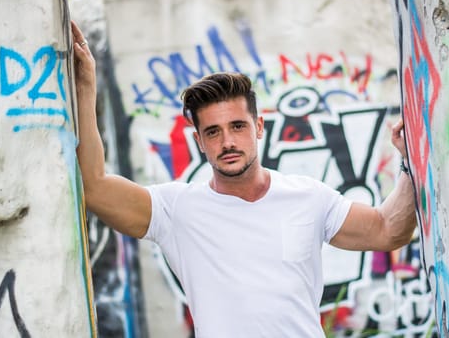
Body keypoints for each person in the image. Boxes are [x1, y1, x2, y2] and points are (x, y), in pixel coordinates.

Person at [71, 21, 417, 337]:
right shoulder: (176, 210)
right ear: (200, 142)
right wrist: (86, 87)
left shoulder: (308, 197)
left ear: (259, 127)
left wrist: (408, 161)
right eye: (213, 132)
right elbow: (96, 187)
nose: (228, 142)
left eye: (237, 126)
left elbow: (388, 229)